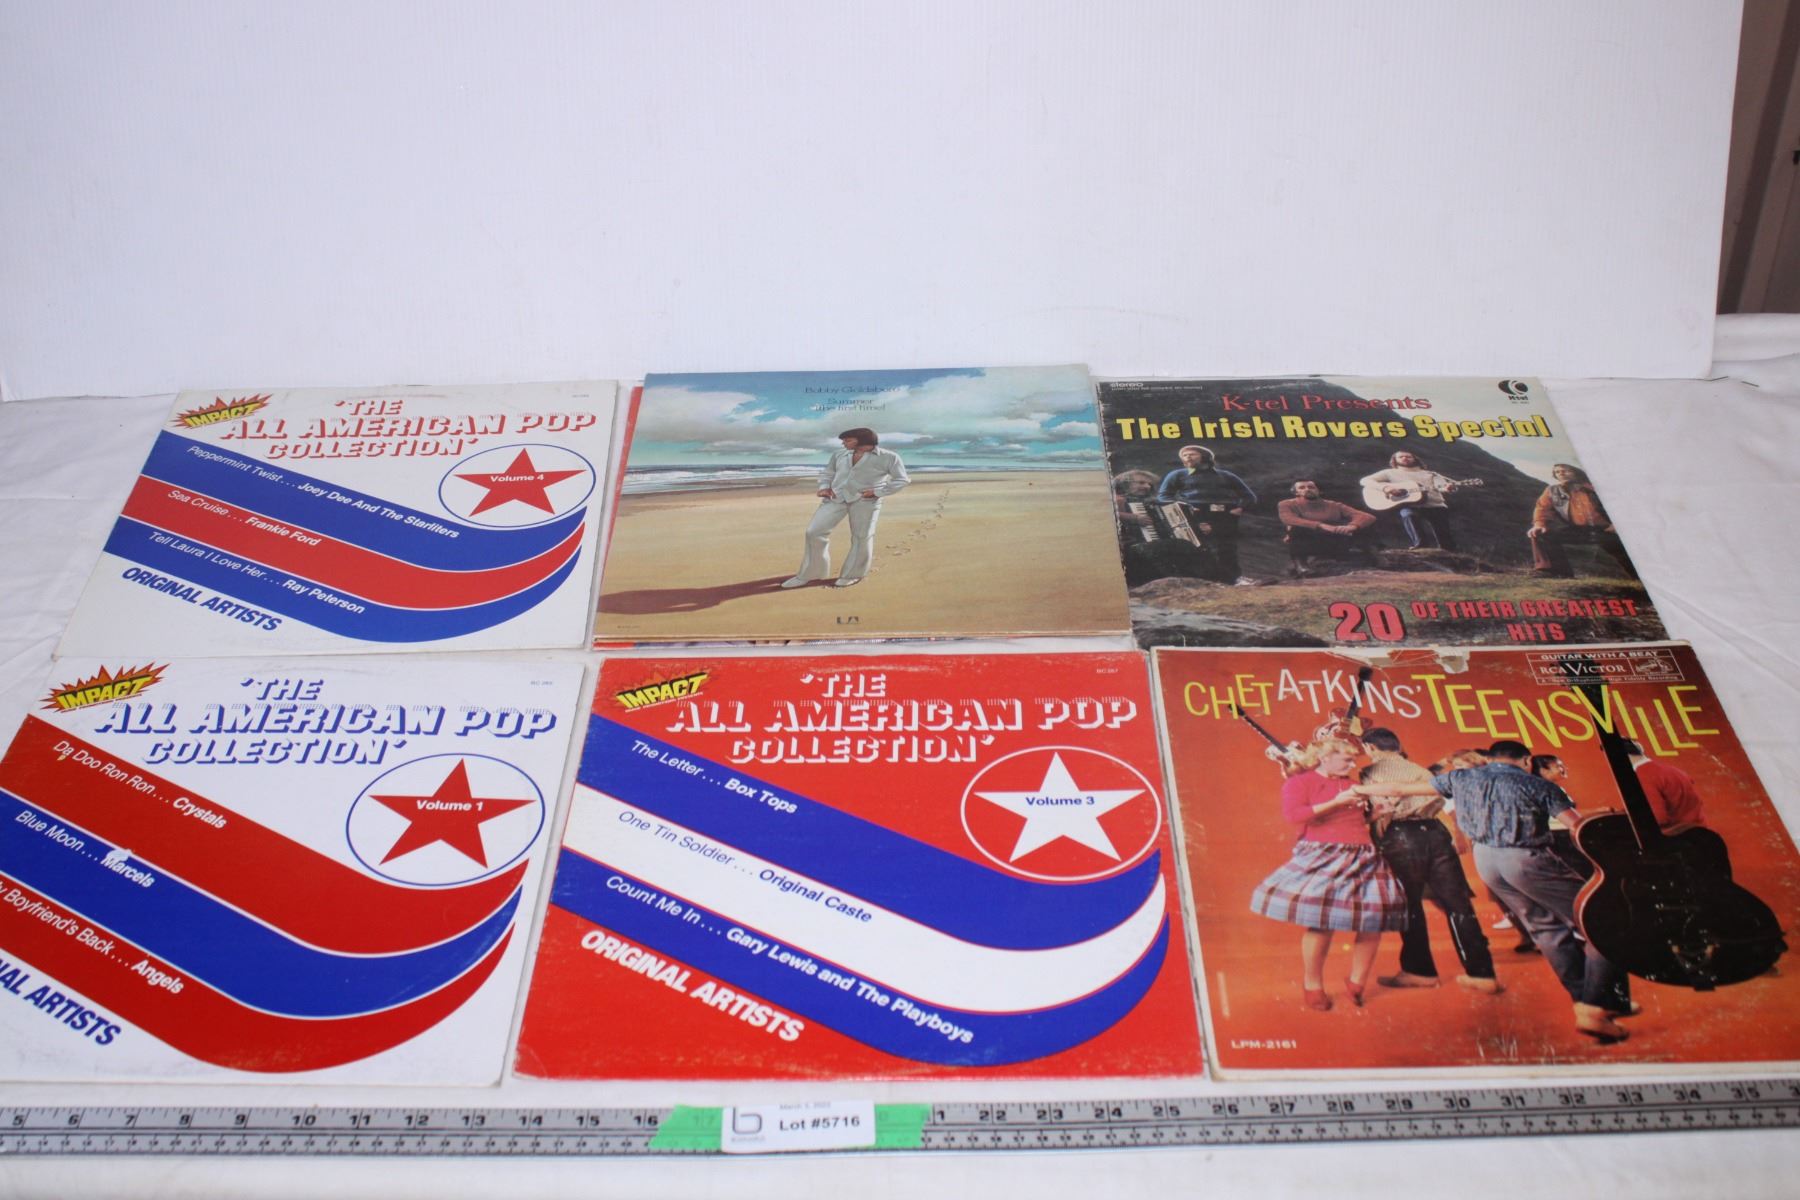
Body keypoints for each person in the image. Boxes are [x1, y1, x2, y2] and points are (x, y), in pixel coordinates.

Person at [1430, 740, 1634, 1042]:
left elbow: (1403, 788)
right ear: (1527, 761)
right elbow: (1577, 826)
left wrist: (1363, 791)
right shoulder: (1536, 785)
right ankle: (1596, 1006)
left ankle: (1587, 1000)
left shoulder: (1464, 779)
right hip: (1524, 858)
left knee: (1545, 928)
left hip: (1486, 858)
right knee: (1604, 920)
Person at [1249, 738, 1407, 1011]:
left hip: (1363, 854)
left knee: (1374, 921)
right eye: (1346, 759)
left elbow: (1352, 821)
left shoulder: (1352, 784)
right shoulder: (1300, 782)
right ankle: (1312, 985)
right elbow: (1294, 816)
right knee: (1321, 923)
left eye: (1353, 760)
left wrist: (1375, 815)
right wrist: (1336, 801)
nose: (1352, 764)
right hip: (1324, 853)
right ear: (1325, 758)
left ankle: (1357, 982)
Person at [1354, 728, 1501, 995]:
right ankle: (1482, 974)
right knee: (1458, 904)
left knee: (1409, 906)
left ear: (1370, 748)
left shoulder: (1369, 773)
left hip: (1401, 837)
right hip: (1436, 833)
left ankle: (1419, 971)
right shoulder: (1420, 770)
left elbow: (1383, 808)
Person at [781, 428, 909, 589]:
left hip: (866, 501)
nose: (843, 443)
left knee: (861, 537)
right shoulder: (839, 454)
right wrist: (824, 487)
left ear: (862, 440)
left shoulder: (889, 457)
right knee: (814, 532)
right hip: (835, 497)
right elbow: (828, 473)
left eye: (848, 440)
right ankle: (812, 573)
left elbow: (901, 480)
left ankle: (853, 574)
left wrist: (877, 492)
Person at [1156, 444, 1257, 585]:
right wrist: (1184, 508)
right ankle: (1204, 581)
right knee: (1197, 547)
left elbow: (1249, 496)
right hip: (1194, 515)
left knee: (1227, 548)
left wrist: (1240, 508)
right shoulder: (1177, 475)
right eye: (1184, 455)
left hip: (1224, 516)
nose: (1188, 457)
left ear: (1205, 457)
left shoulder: (1226, 476)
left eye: (1192, 454)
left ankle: (1234, 579)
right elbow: (1163, 497)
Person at [1528, 463, 1632, 577]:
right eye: (1557, 472)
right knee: (1540, 533)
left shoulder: (1596, 487)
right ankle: (1556, 572)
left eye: (1566, 470)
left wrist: (1617, 524)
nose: (1561, 473)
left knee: (1627, 557)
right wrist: (1539, 524)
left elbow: (1621, 504)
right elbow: (1542, 508)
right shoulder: (1552, 490)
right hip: (1579, 530)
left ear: (1577, 472)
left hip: (1607, 530)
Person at [1360, 451, 1464, 551]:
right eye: (1401, 457)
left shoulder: (1430, 474)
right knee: (1409, 515)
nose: (1405, 458)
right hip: (1410, 505)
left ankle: (1448, 551)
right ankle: (1421, 545)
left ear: (1415, 459)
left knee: (1445, 537)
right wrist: (1385, 488)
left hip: (1435, 505)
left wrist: (1448, 488)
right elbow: (1364, 480)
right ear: (1395, 460)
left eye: (1408, 456)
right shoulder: (1389, 473)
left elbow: (1443, 487)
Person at [1276, 480, 1377, 576]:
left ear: (1318, 490)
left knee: (1363, 525)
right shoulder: (1286, 504)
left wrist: (1352, 526)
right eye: (1302, 488)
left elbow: (1367, 516)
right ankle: (1302, 567)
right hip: (1310, 541)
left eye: (1311, 487)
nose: (1307, 489)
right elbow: (1288, 519)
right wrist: (1322, 526)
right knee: (1296, 528)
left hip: (1335, 540)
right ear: (1296, 492)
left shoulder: (1334, 505)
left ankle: (1375, 557)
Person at [1621, 739, 1708, 828]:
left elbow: (1657, 818)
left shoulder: (1643, 776)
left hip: (1677, 832)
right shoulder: (1671, 770)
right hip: (1698, 830)